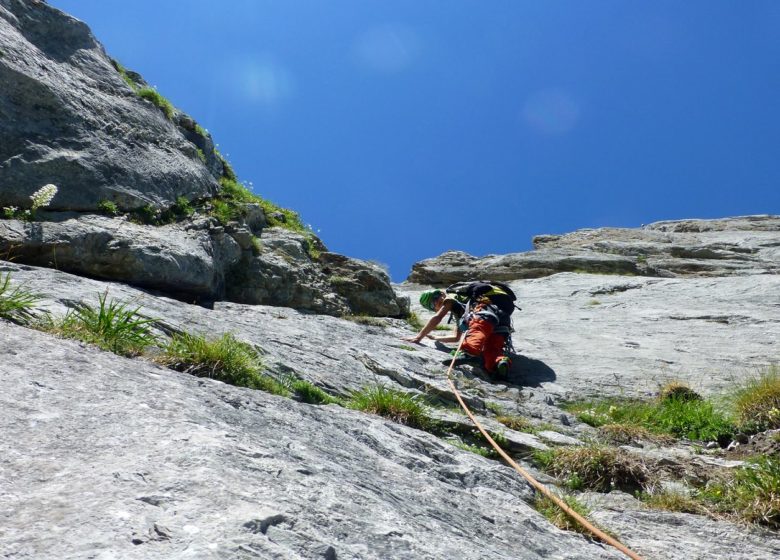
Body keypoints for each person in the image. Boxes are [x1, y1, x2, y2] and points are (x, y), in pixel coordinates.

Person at [403, 285, 512, 377]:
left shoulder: (450, 298)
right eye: (432, 304)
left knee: (477, 328)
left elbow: (437, 318)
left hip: (484, 312)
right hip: (502, 319)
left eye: (435, 298)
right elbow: (456, 337)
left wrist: (419, 337)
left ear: (442, 294)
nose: (436, 303)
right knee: (492, 348)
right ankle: (499, 363)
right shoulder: (461, 311)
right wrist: (436, 338)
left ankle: (469, 352)